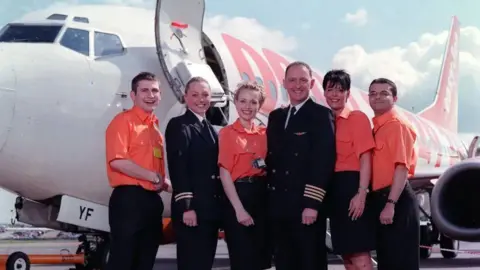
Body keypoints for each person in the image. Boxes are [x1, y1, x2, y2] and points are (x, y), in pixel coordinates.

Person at [265, 61, 336, 270]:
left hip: (305, 206)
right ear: (284, 83)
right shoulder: (276, 117)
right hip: (279, 206)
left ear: (312, 83)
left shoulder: (321, 115)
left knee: (309, 262)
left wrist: (312, 204)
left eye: (303, 80)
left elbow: (323, 162)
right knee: (284, 263)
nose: (298, 85)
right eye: (292, 80)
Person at [105, 71, 167, 270]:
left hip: (152, 202)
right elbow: (117, 161)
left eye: (155, 91)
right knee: (123, 261)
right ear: (133, 95)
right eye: (144, 90)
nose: (150, 95)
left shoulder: (155, 130)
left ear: (160, 95)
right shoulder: (123, 121)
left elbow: (156, 173)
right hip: (129, 200)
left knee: (145, 262)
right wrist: (153, 177)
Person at [165, 76, 223, 270]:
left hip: (209, 210)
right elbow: (178, 167)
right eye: (195, 95)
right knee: (191, 263)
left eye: (205, 95)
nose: (201, 99)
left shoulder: (211, 129)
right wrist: (187, 206)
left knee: (204, 263)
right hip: (193, 209)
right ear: (185, 97)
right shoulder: (180, 125)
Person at [323, 70, 376, 270]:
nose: (335, 94)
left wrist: (361, 193)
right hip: (334, 191)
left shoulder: (357, 118)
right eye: (330, 90)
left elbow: (365, 157)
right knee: (346, 254)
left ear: (348, 93)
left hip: (352, 187)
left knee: (359, 252)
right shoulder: (324, 121)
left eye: (340, 90)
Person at [218, 81, 272, 270]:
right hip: (238, 196)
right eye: (243, 101)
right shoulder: (227, 134)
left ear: (259, 105)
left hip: (262, 198)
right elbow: (224, 173)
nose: (247, 107)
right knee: (243, 259)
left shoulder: (265, 134)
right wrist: (239, 210)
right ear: (235, 102)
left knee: (261, 260)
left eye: (253, 102)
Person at [368, 78, 420, 270]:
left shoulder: (396, 125)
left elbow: (402, 167)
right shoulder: (379, 128)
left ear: (395, 98)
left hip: (395, 200)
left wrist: (391, 204)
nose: (377, 97)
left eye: (384, 93)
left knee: (400, 263)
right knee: (388, 262)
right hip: (385, 200)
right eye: (373, 93)